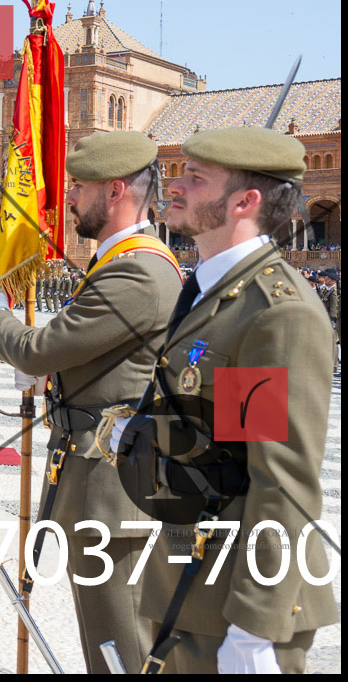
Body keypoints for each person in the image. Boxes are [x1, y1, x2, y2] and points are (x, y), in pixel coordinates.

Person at [122, 127, 336, 673]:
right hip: (188, 581)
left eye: (195, 178)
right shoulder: (213, 293)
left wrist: (256, 626)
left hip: (231, 606)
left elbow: (278, 480)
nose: (174, 186)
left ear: (244, 202)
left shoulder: (272, 313)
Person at [0, 131, 182, 672]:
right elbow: (97, 359)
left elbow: (42, 347)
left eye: (79, 188)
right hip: (98, 479)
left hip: (114, 491)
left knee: (120, 644)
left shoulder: (137, 270)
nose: (68, 199)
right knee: (106, 639)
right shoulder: (123, 262)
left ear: (115, 191)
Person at [316, 267, 339, 373]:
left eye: (328, 278)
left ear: (333, 280)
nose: (326, 279)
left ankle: (334, 365)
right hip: (325, 319)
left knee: (333, 343)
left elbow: (333, 309)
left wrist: (332, 322)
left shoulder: (333, 292)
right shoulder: (327, 290)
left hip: (331, 321)